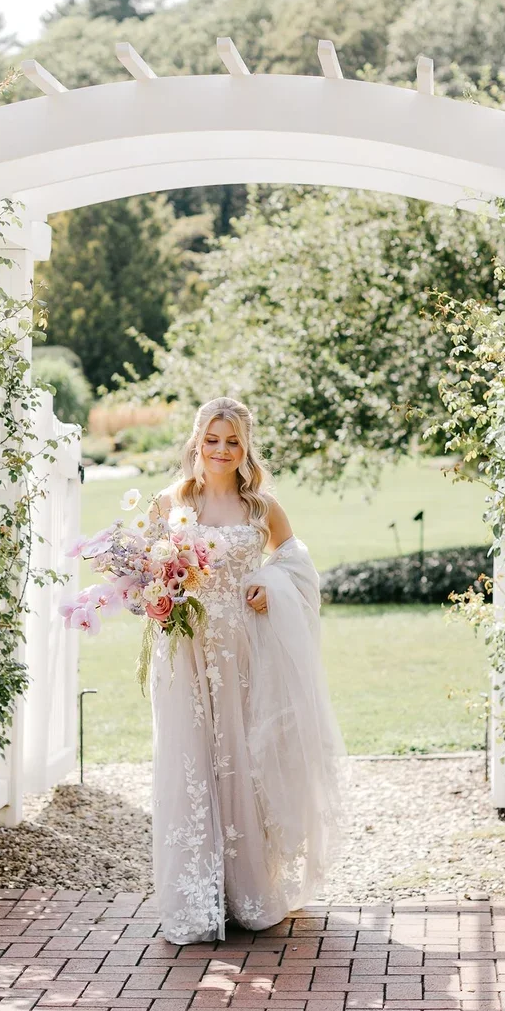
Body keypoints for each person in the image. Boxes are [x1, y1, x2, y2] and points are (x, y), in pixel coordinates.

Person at [148, 396, 346, 946]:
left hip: (241, 649)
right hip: (185, 650)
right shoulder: (170, 503)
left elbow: (295, 562)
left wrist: (268, 584)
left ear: (245, 446)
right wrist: (162, 589)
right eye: (212, 439)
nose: (221, 450)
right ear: (196, 441)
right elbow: (147, 571)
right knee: (190, 760)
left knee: (242, 757)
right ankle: (195, 895)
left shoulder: (262, 508)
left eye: (232, 440)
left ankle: (248, 890)